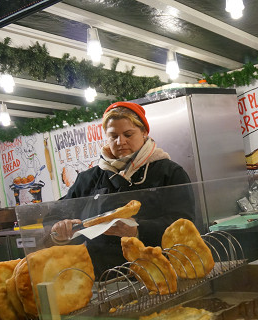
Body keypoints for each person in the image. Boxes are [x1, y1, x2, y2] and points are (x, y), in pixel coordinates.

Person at [51, 101, 195, 275]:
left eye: (128, 134)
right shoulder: (89, 179)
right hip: (102, 277)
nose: (121, 142)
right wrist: (62, 228)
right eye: (113, 136)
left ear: (144, 132)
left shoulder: (169, 173)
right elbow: (54, 216)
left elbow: (184, 225)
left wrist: (138, 230)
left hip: (157, 273)